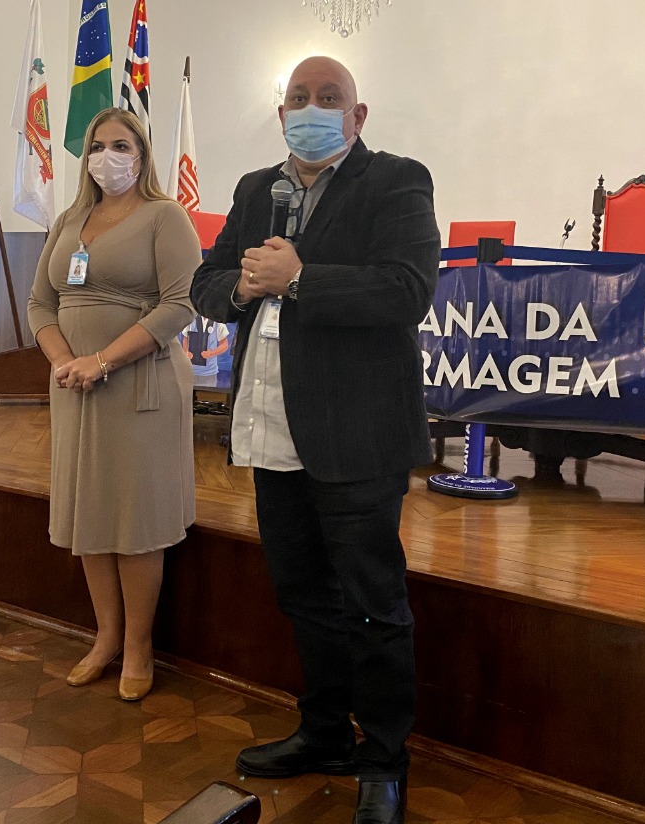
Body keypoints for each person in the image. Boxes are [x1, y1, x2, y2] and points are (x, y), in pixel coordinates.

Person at [191, 56, 440, 824]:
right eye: (298, 98)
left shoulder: (396, 181)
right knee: (302, 595)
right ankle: (326, 731)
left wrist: (299, 278)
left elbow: (408, 289)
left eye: (329, 98)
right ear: (280, 114)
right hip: (270, 426)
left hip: (357, 434)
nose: (311, 109)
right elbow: (207, 281)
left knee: (372, 602)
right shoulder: (253, 190)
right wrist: (242, 285)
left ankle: (384, 761)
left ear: (357, 116)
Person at [27, 108, 201, 701]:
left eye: (121, 145)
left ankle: (139, 647)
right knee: (92, 515)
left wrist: (102, 360)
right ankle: (106, 637)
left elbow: (181, 303)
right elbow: (40, 303)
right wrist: (63, 361)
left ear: (142, 154)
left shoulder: (164, 215)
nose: (108, 156)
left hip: (139, 384)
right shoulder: (69, 219)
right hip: (75, 387)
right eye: (97, 145)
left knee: (134, 520)